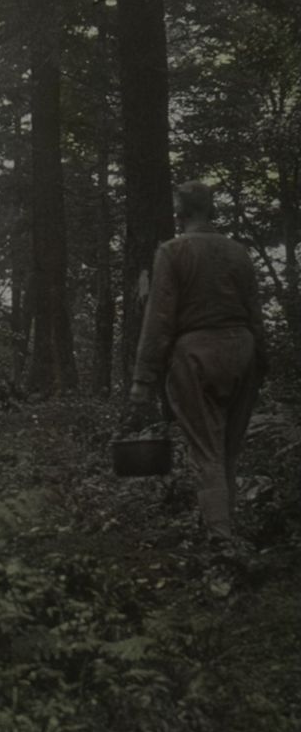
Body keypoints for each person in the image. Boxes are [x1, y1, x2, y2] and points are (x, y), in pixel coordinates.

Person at [127, 181, 267, 547]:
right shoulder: (238, 252)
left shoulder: (172, 252)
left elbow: (160, 318)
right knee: (228, 451)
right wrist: (261, 364)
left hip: (196, 355)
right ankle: (227, 530)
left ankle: (221, 542)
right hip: (243, 351)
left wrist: (143, 377)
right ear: (211, 210)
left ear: (180, 211)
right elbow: (255, 314)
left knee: (206, 452)